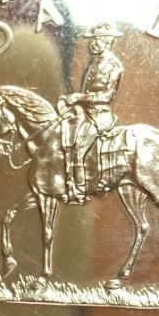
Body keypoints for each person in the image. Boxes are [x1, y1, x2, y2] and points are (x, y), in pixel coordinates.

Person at [59, 22, 123, 202]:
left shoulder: (114, 66)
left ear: (107, 42)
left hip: (99, 115)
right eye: (92, 40)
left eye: (96, 40)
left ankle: (80, 191)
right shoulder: (94, 64)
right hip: (85, 112)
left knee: (79, 151)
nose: (92, 44)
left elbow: (107, 96)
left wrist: (78, 97)